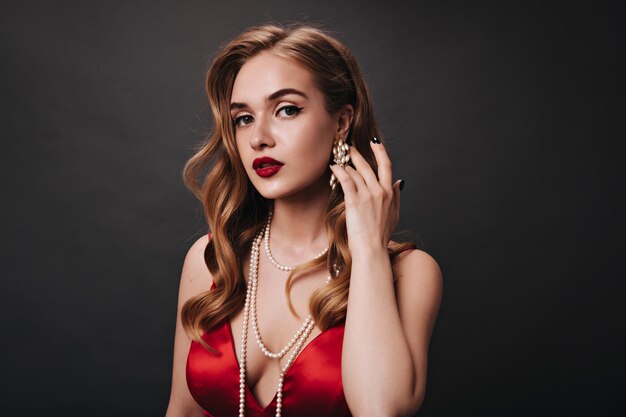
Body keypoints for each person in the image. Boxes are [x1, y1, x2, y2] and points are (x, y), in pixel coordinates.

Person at [165, 22, 443, 417]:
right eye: (243, 118)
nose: (259, 137)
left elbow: (381, 410)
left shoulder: (410, 273)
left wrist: (366, 248)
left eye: (287, 110)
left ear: (341, 123)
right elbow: (183, 411)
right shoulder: (211, 259)